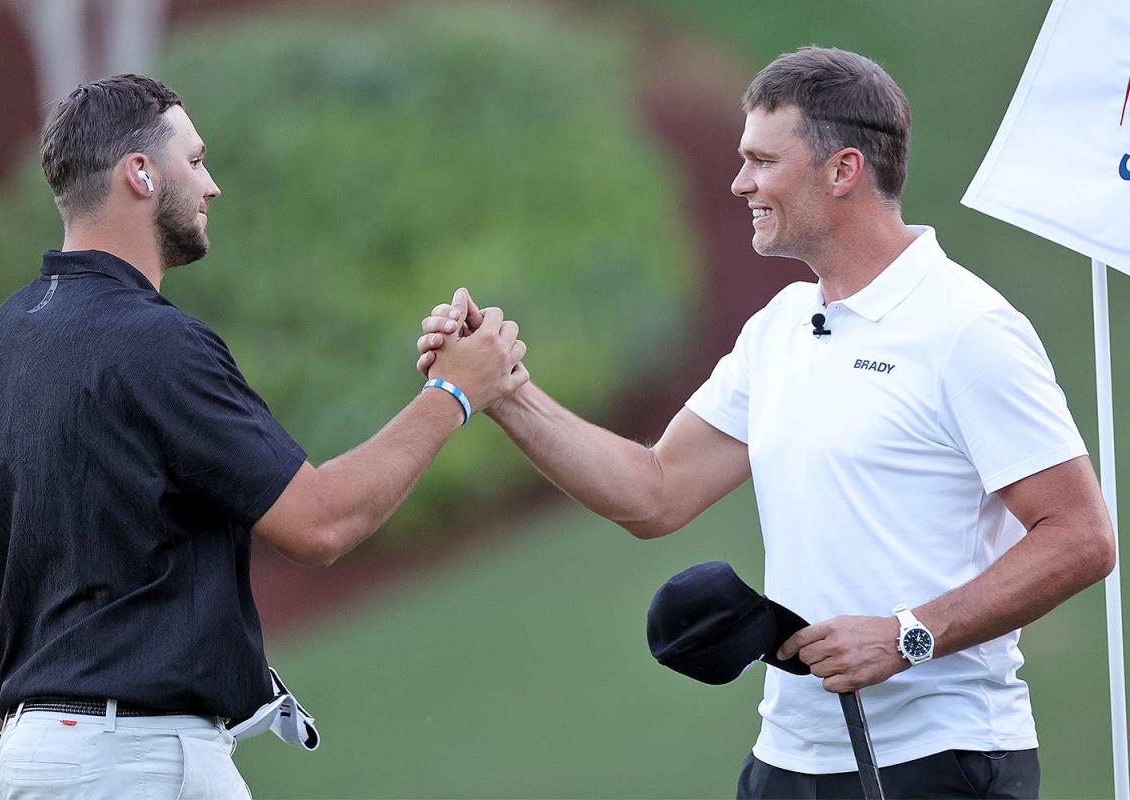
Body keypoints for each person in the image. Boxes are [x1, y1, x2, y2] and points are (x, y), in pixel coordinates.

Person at [416, 47, 1115, 798]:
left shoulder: (968, 329)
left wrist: (908, 636)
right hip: (790, 761)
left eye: (761, 160)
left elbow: (1081, 537)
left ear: (842, 171)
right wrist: (503, 391)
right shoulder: (782, 324)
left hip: (941, 762)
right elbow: (655, 492)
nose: (739, 182)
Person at [0, 74, 527, 800]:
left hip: (34, 757)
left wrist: (102, 637)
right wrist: (454, 392)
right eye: (195, 161)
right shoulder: (158, 345)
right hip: (135, 763)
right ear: (140, 172)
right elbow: (322, 523)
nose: (212, 185)